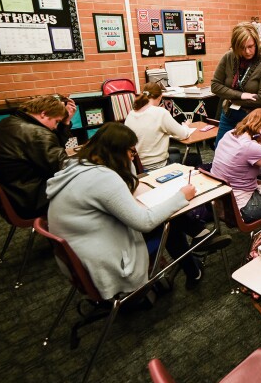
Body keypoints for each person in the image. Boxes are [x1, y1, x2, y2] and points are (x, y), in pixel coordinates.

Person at [46, 123, 223, 293]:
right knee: (168, 223)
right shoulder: (102, 178)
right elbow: (144, 222)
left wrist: (124, 159)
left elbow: (129, 183)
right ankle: (199, 246)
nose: (133, 157)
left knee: (163, 213)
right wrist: (181, 197)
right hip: (104, 263)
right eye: (131, 151)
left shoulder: (79, 165)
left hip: (81, 253)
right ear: (116, 152)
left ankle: (199, 243)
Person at [0, 94, 77, 219]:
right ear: (44, 113)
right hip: (30, 200)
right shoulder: (37, 134)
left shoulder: (9, 121)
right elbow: (63, 167)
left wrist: (65, 123)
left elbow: (52, 150)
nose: (55, 127)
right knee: (83, 183)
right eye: (56, 122)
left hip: (12, 194)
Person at [210, 22, 261, 149]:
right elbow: (215, 86)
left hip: (255, 120)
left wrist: (230, 97)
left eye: (251, 46)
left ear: (256, 43)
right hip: (229, 115)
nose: (247, 51)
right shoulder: (228, 57)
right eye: (242, 47)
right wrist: (242, 96)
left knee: (248, 158)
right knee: (221, 150)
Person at [124, 82, 193, 171]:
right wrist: (186, 126)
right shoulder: (161, 113)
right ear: (160, 97)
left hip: (137, 166)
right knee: (195, 158)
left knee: (175, 151)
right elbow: (183, 134)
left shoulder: (131, 114)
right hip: (158, 166)